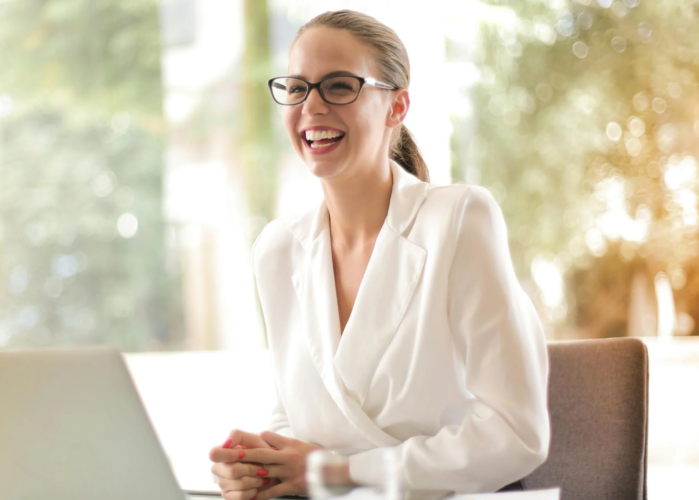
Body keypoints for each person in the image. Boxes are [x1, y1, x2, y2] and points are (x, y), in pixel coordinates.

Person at [208, 9, 550, 500]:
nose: (312, 106)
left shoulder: (458, 220)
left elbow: (517, 434)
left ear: (397, 106)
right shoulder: (277, 250)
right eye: (297, 88)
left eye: (339, 86)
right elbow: (295, 414)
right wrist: (261, 466)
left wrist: (338, 472)